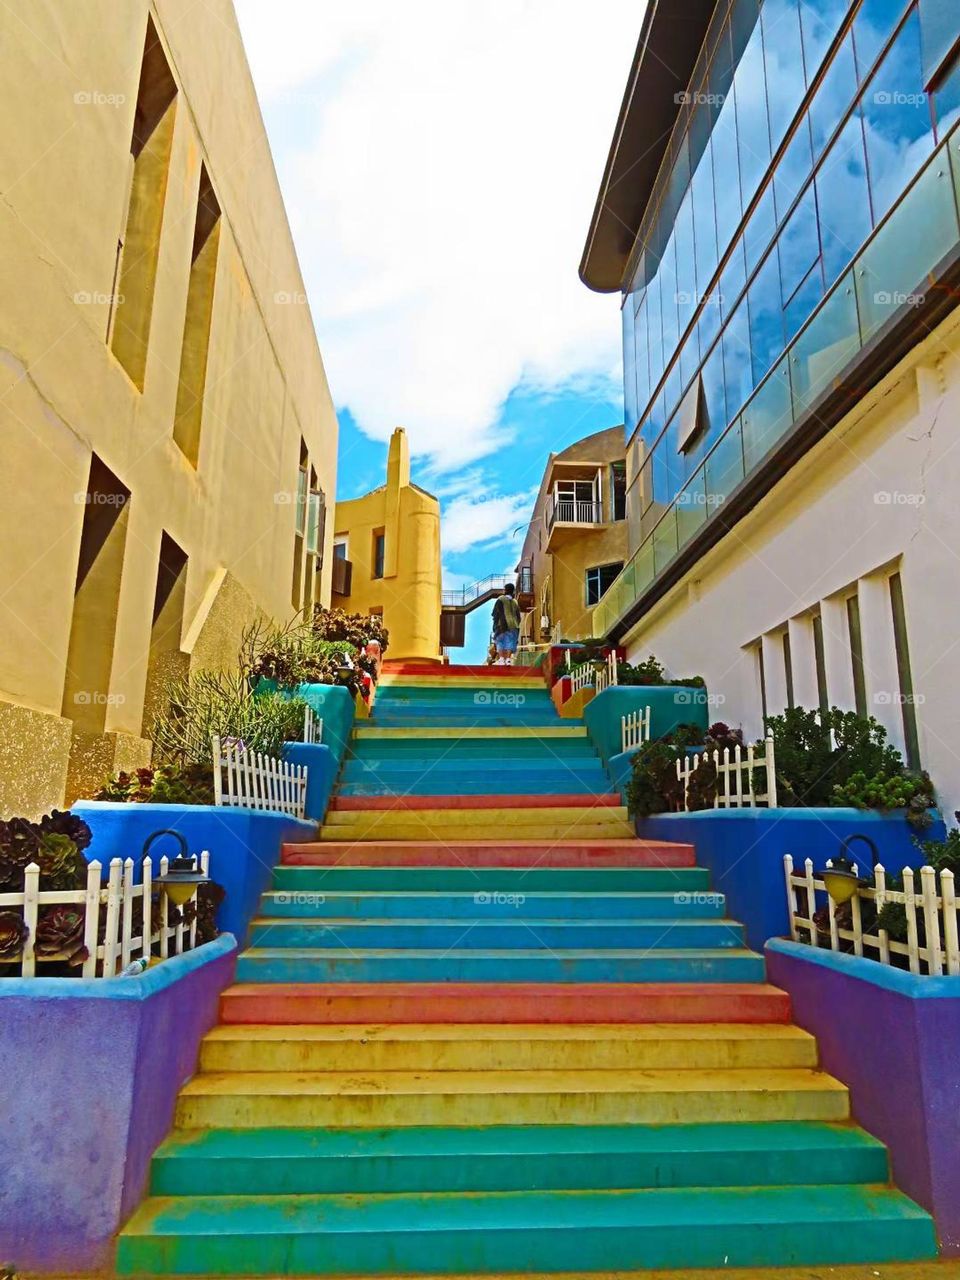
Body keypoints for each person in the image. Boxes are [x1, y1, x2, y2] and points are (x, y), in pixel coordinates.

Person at [491, 582, 521, 665]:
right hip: (514, 626)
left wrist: (495, 624)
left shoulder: (501, 599)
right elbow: (518, 616)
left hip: (502, 625)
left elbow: (495, 612)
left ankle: (501, 659)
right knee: (510, 642)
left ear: (505, 590)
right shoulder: (515, 602)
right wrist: (516, 623)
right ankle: (508, 660)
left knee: (500, 641)